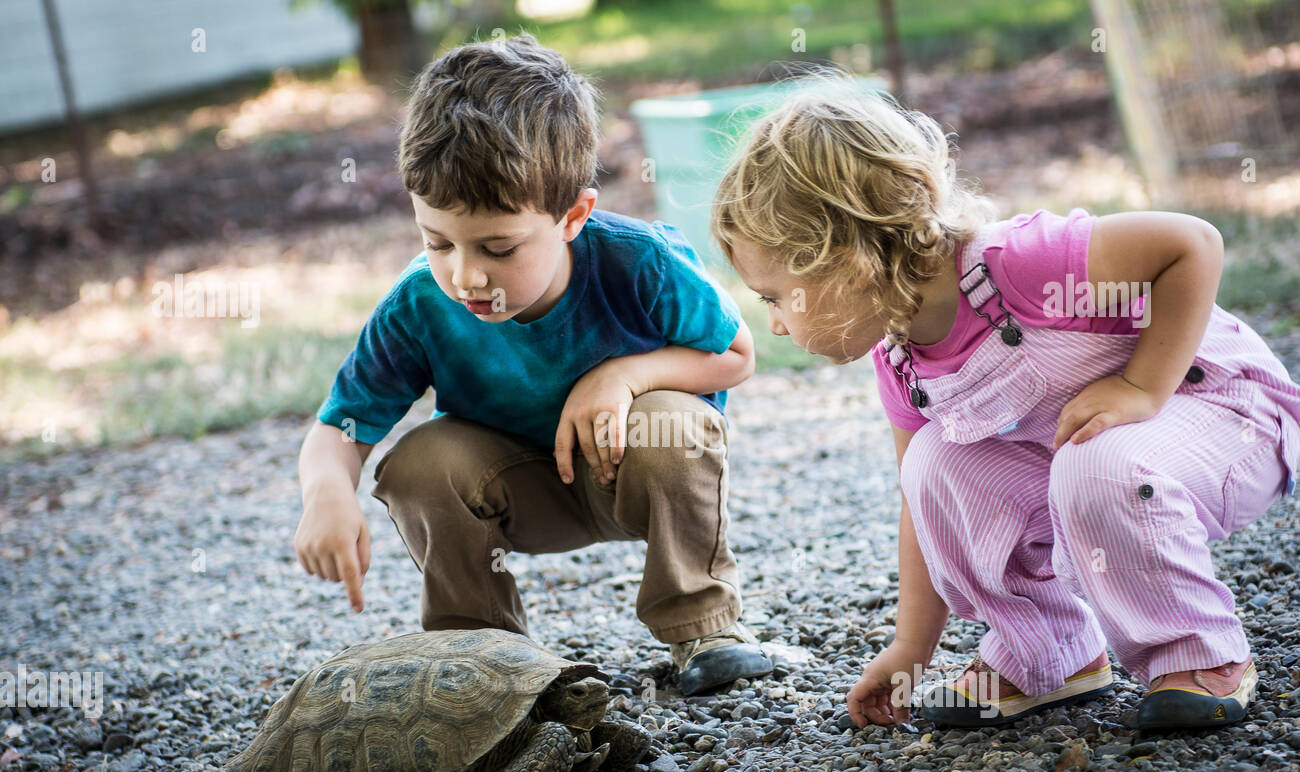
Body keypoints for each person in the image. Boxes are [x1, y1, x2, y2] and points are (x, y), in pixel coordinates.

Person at [711, 82, 1300, 730]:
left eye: (775, 297)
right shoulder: (900, 358)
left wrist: (1140, 386)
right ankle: (1048, 651)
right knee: (935, 465)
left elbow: (1191, 246)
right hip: (1111, 449)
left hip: (1227, 414)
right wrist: (913, 647)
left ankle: (1198, 652)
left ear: (849, 265)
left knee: (1092, 461)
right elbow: (922, 501)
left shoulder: (1017, 263)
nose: (773, 323)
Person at [294, 34, 772, 696]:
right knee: (418, 461)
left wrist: (623, 377)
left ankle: (703, 629)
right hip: (516, 492)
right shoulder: (419, 304)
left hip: (625, 471)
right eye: (437, 241)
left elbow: (736, 354)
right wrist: (327, 493)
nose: (464, 273)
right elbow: (339, 428)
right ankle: (487, 660)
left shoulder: (640, 261)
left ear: (573, 214)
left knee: (673, 423)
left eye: (498, 247)